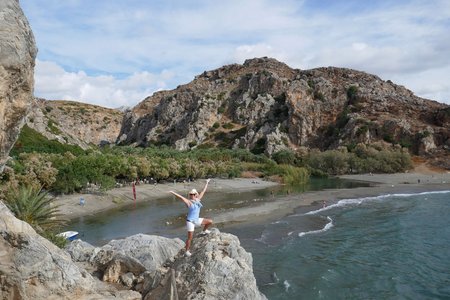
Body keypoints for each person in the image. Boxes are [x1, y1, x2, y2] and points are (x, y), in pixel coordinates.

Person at [170, 179, 213, 257]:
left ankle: (204, 231)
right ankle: (187, 251)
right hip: (190, 222)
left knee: (210, 221)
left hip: (196, 220)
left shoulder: (198, 200)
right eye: (191, 194)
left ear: (196, 195)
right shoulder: (189, 202)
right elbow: (180, 197)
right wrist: (172, 192)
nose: (191, 195)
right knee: (190, 238)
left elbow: (203, 191)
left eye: (193, 194)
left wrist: (207, 182)